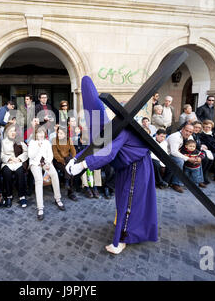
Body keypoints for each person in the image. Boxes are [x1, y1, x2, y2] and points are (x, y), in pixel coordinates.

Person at [66, 76, 157, 255]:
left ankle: (121, 240)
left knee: (128, 201)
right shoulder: (110, 127)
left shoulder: (121, 128)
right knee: (123, 200)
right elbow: (96, 145)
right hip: (127, 166)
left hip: (136, 167)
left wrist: (82, 164)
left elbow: (107, 152)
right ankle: (124, 225)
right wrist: (76, 159)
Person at [28, 126, 65, 221]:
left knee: (54, 174)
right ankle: (40, 208)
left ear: (45, 134)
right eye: (38, 132)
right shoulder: (32, 142)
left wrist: (48, 163)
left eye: (42, 133)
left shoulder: (47, 142)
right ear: (35, 133)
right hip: (35, 163)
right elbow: (30, 156)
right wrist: (37, 147)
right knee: (39, 180)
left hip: (45, 162)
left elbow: (50, 155)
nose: (40, 135)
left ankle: (58, 199)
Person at [1, 123, 28, 208]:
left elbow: (26, 152)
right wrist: (9, 159)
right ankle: (9, 195)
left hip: (18, 161)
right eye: (10, 131)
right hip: (7, 162)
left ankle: (22, 196)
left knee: (20, 172)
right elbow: (1, 154)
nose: (13, 133)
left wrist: (19, 159)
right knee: (6, 173)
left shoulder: (20, 141)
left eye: (14, 131)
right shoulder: (3, 142)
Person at [52, 126, 78, 201]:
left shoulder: (69, 140)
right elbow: (55, 154)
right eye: (58, 133)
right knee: (69, 168)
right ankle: (69, 188)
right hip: (58, 161)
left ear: (65, 134)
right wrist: (63, 161)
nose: (59, 135)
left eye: (61, 133)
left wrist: (72, 160)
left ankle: (68, 186)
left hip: (68, 160)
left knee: (71, 168)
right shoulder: (54, 140)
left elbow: (73, 152)